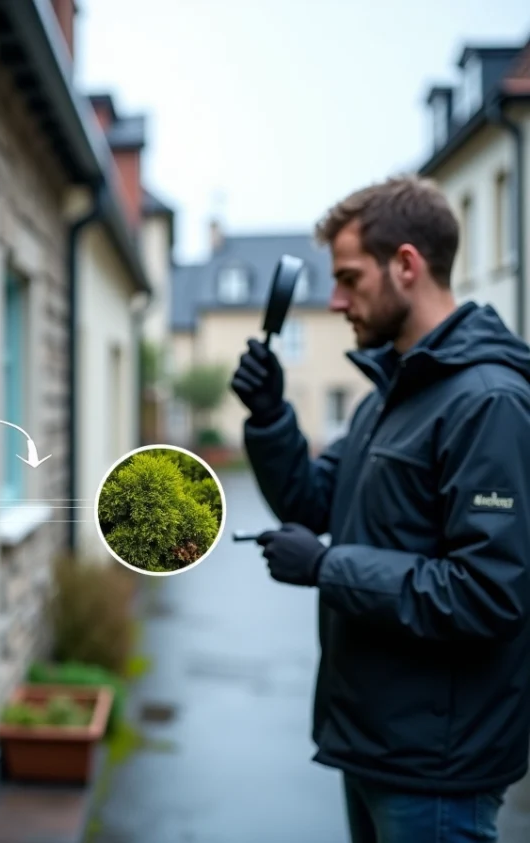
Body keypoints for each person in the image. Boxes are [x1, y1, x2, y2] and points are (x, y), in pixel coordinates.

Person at [230, 174, 530, 843]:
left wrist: (329, 566)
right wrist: (272, 416)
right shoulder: (388, 396)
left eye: (349, 278)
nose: (335, 301)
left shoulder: (487, 402)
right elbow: (312, 500)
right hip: (373, 746)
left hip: (436, 770)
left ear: (406, 265)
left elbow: (486, 593)